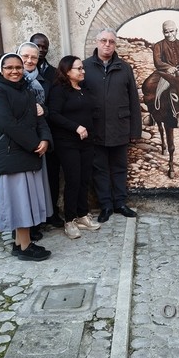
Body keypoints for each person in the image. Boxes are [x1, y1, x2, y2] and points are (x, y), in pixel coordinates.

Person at [0, 53, 53, 261]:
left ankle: (19, 244)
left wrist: (45, 140)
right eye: (9, 67)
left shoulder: (27, 90)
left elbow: (39, 118)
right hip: (12, 155)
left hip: (29, 154)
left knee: (27, 201)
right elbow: (7, 124)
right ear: (1, 70)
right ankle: (25, 247)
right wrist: (35, 144)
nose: (14, 71)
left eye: (18, 67)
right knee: (20, 202)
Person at [83, 28, 142, 222]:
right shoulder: (85, 67)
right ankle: (105, 205)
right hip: (96, 128)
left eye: (111, 41)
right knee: (99, 169)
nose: (107, 45)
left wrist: (135, 130)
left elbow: (133, 99)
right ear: (97, 42)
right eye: (103, 41)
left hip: (119, 127)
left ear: (115, 44)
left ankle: (120, 203)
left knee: (119, 167)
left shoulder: (124, 67)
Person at [48, 56, 100, 239]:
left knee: (84, 179)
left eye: (83, 68)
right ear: (67, 71)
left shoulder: (83, 90)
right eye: (78, 69)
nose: (83, 71)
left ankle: (82, 215)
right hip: (67, 143)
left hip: (86, 143)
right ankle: (69, 220)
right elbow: (52, 115)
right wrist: (75, 127)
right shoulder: (59, 91)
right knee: (73, 180)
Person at [30, 32, 63, 227]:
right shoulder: (16, 70)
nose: (41, 49)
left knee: (51, 174)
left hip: (49, 130)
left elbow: (57, 101)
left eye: (44, 46)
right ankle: (35, 218)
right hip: (26, 134)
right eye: (37, 46)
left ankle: (52, 213)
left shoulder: (53, 73)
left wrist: (46, 111)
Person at [144, 20, 179, 132]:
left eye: (172, 31)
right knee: (148, 85)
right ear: (163, 32)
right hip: (165, 73)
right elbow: (157, 62)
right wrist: (167, 67)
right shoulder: (158, 45)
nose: (169, 34)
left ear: (176, 31)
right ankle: (153, 115)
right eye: (166, 32)